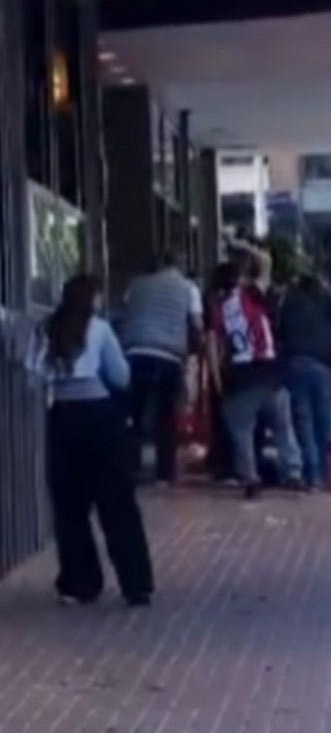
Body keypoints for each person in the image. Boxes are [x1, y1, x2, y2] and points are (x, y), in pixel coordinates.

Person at [30, 275, 154, 606]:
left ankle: (79, 582)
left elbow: (34, 371)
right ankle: (136, 583)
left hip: (63, 417)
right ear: (92, 298)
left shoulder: (47, 328)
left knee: (70, 505)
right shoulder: (100, 329)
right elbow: (121, 375)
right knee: (117, 502)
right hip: (100, 416)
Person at [207, 262, 304, 499]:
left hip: (240, 377)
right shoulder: (253, 295)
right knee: (282, 426)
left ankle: (250, 477)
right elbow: (265, 262)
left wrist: (218, 383)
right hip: (269, 371)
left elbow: (212, 349)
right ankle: (293, 472)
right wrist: (244, 246)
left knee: (242, 431)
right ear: (239, 279)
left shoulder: (218, 309)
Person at [119, 251, 203, 486]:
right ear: (180, 266)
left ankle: (131, 468)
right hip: (168, 355)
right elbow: (197, 324)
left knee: (134, 413)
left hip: (135, 352)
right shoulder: (189, 288)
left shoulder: (136, 284)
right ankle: (163, 474)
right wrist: (194, 348)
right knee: (165, 417)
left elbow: (126, 310)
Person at [277, 271, 331, 491]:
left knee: (303, 420)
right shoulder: (328, 300)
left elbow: (280, 331)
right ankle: (326, 472)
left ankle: (312, 474)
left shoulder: (289, 301)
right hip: (323, 363)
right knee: (323, 420)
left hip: (296, 361)